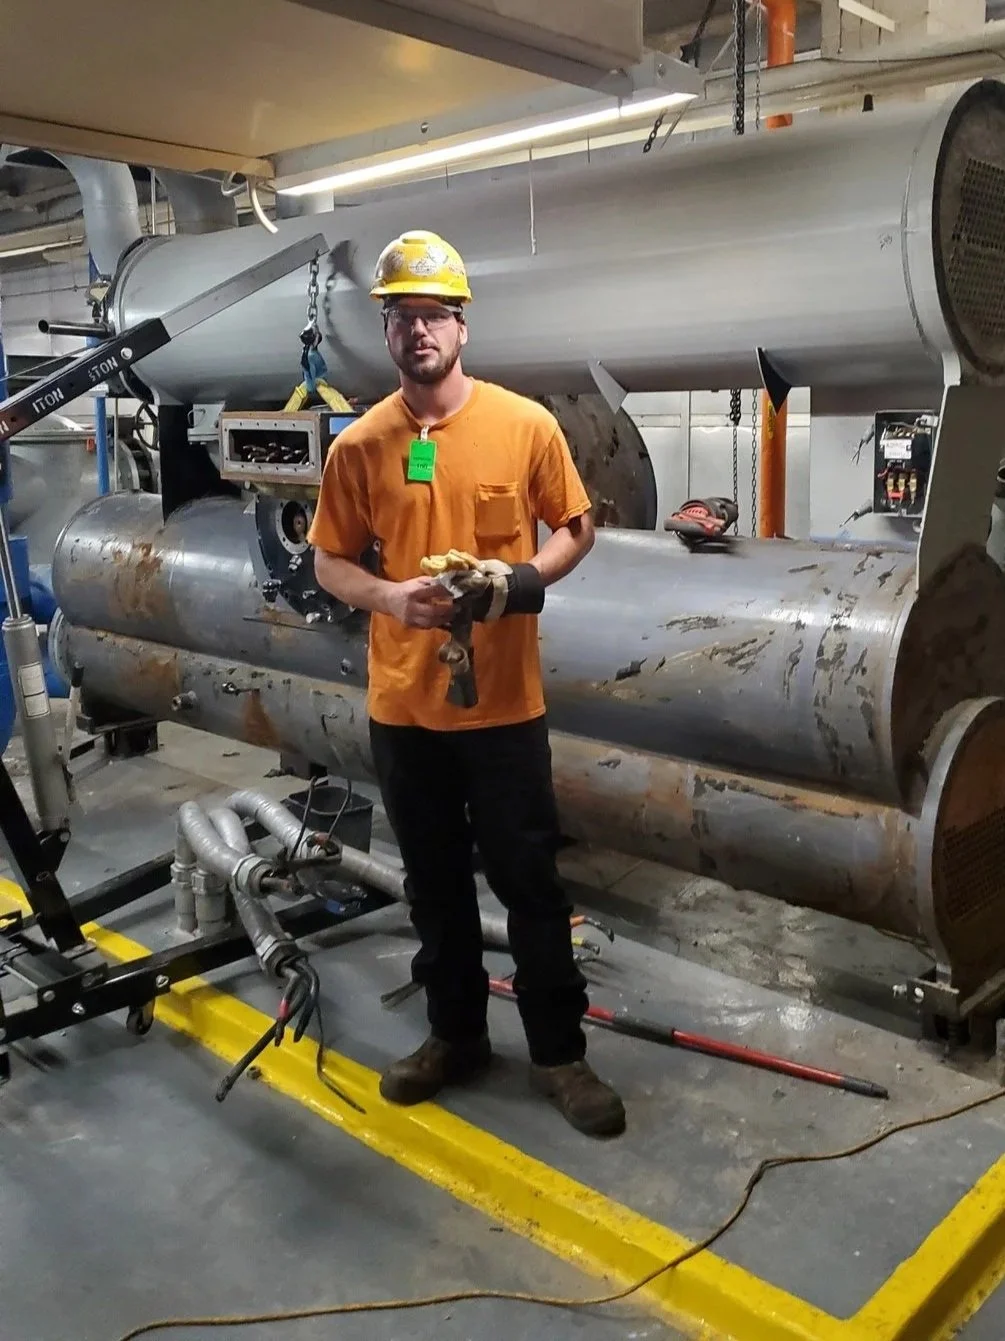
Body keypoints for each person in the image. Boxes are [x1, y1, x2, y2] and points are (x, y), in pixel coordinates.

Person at [308, 229, 625, 1138]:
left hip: (503, 709)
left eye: (433, 315)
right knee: (435, 884)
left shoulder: (524, 425)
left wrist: (519, 583)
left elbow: (573, 526)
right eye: (401, 316)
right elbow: (329, 561)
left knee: (530, 882)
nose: (418, 332)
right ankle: (456, 1036)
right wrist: (388, 597)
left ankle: (559, 1054)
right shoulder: (360, 447)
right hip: (404, 709)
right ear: (387, 329)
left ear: (461, 326)